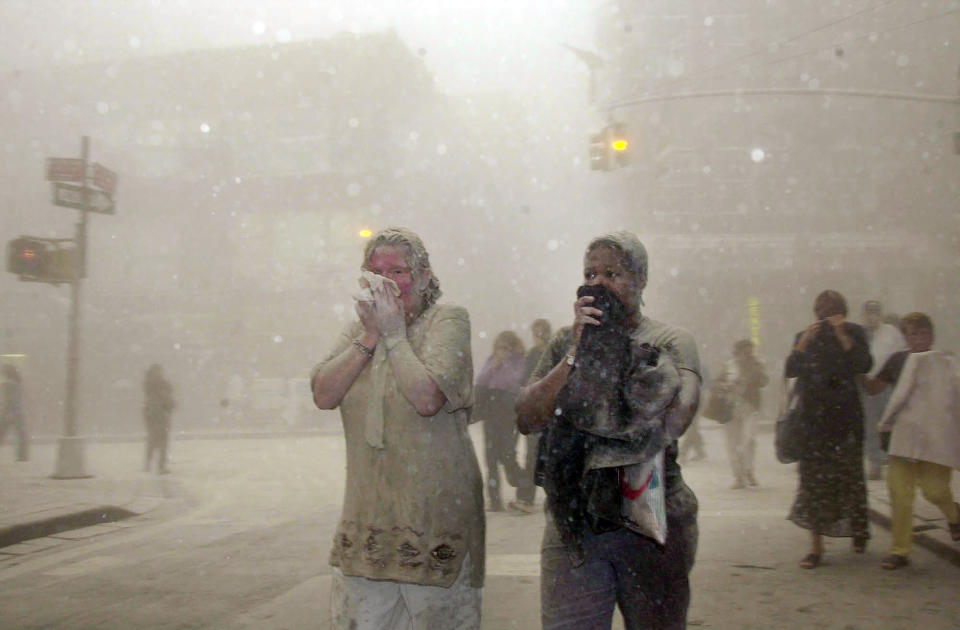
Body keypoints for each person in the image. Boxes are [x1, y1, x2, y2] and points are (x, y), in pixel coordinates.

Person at [516, 231, 700, 630]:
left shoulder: (669, 340)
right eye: (590, 273)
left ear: (641, 280)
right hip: (574, 526)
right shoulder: (566, 343)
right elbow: (527, 417)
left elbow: (678, 417)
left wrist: (617, 355)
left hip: (650, 518)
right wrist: (576, 355)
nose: (598, 282)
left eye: (612, 273)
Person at [310, 227, 483, 630]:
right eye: (375, 272)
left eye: (399, 272)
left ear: (424, 277)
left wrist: (394, 336)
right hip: (367, 525)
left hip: (434, 524)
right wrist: (372, 335)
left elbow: (426, 399)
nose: (386, 282)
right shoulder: (358, 332)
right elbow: (323, 393)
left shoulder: (448, 319)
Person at [863, 312, 960, 570]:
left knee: (935, 490)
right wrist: (857, 367)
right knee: (900, 494)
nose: (919, 339)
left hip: (936, 439)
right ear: (906, 338)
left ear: (932, 335)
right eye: (913, 334)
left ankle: (954, 514)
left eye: (923, 333)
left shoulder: (945, 362)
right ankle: (900, 550)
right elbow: (874, 388)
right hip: (903, 438)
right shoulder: (898, 361)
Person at [785, 290, 872, 569]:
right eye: (822, 312)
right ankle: (816, 547)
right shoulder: (805, 336)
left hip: (845, 420)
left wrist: (843, 334)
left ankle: (858, 530)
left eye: (833, 311)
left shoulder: (854, 332)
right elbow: (790, 370)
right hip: (813, 422)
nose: (827, 316)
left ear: (843, 312)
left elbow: (863, 364)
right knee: (812, 484)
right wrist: (804, 343)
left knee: (850, 480)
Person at [474, 330, 527, 512]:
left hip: (508, 413)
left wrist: (505, 364)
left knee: (507, 456)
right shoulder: (491, 360)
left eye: (506, 347)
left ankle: (523, 487)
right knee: (490, 459)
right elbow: (481, 380)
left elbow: (512, 381)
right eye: (499, 347)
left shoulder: (519, 361)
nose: (502, 351)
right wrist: (494, 364)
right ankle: (494, 499)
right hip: (491, 413)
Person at [859, 300, 906, 480]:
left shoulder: (890, 332)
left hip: (886, 384)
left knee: (889, 422)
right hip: (865, 385)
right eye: (868, 313)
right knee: (870, 424)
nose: (872, 317)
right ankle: (875, 462)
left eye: (875, 313)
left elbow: (902, 353)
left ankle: (892, 459)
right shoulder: (859, 333)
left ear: (880, 314)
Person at [510, 318, 553, 514]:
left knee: (535, 456)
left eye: (539, 332)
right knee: (537, 456)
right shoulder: (548, 352)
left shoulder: (541, 353)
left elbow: (526, 381)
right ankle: (529, 497)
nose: (537, 336)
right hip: (542, 412)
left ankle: (527, 497)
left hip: (542, 411)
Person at [716, 340, 768, 489]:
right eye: (744, 352)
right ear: (737, 352)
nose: (747, 355)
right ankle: (739, 476)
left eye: (749, 352)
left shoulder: (756, 365)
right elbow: (717, 383)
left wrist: (753, 372)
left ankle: (749, 470)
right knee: (732, 444)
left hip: (749, 408)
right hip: (730, 408)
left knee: (748, 441)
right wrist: (726, 385)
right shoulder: (729, 365)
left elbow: (764, 381)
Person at [143, 363, 175, 474]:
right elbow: (166, 398)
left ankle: (148, 463)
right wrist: (171, 405)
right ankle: (161, 466)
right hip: (160, 414)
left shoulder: (149, 384)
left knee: (152, 439)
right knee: (163, 441)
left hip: (151, 414)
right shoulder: (161, 384)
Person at [0, 364, 28, 462]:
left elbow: (9, 400)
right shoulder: (17, 383)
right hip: (17, 412)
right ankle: (23, 456)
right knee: (21, 435)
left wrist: (6, 412)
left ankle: (23, 456)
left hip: (10, 411)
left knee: (2, 432)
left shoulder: (9, 384)